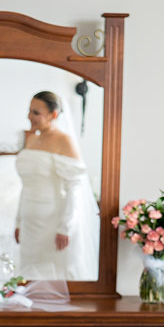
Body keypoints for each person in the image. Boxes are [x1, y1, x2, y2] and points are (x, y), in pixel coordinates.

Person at [12, 91, 99, 280]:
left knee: (55, 274)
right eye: (29, 111)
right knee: (29, 274)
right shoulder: (31, 139)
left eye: (36, 113)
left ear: (54, 115)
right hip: (29, 221)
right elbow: (26, 187)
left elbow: (74, 187)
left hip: (52, 221)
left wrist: (65, 227)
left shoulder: (64, 141)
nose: (30, 117)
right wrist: (18, 222)